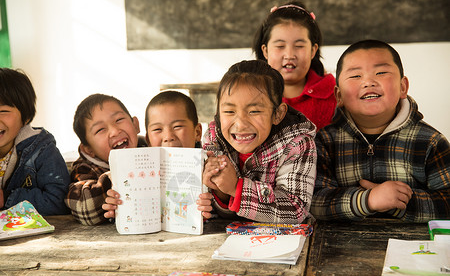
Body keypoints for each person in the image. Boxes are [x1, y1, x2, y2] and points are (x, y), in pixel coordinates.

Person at [311, 40, 450, 222]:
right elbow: (315, 202)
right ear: (339, 95)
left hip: (414, 248)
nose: (369, 82)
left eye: (381, 72)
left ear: (403, 87)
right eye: (355, 76)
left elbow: (447, 203)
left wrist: (398, 202)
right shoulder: (325, 141)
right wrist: (367, 200)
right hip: (342, 247)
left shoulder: (430, 141)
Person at [200, 60, 317, 224]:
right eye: (229, 111)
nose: (240, 124)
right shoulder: (214, 140)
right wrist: (220, 193)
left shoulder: (298, 143)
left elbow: (295, 210)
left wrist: (236, 188)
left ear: (278, 114)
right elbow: (212, 212)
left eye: (254, 111)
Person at [102, 90, 214, 218]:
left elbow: (226, 206)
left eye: (177, 126)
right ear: (148, 139)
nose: (168, 137)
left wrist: (213, 204)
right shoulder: (137, 172)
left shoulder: (209, 166)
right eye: (157, 129)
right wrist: (118, 207)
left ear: (197, 132)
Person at [253, 1, 336, 130]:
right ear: (265, 51)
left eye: (299, 46)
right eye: (280, 46)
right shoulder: (250, 93)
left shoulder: (334, 94)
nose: (289, 54)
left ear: (313, 50)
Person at [65, 94, 145, 225]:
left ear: (135, 124)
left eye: (119, 119)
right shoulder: (85, 167)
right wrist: (117, 180)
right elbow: (83, 207)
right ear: (88, 149)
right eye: (100, 129)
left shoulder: (150, 148)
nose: (114, 131)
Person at [0, 68, 70, 215]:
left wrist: (6, 198)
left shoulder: (42, 150)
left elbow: (58, 201)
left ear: (25, 117)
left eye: (3, 112)